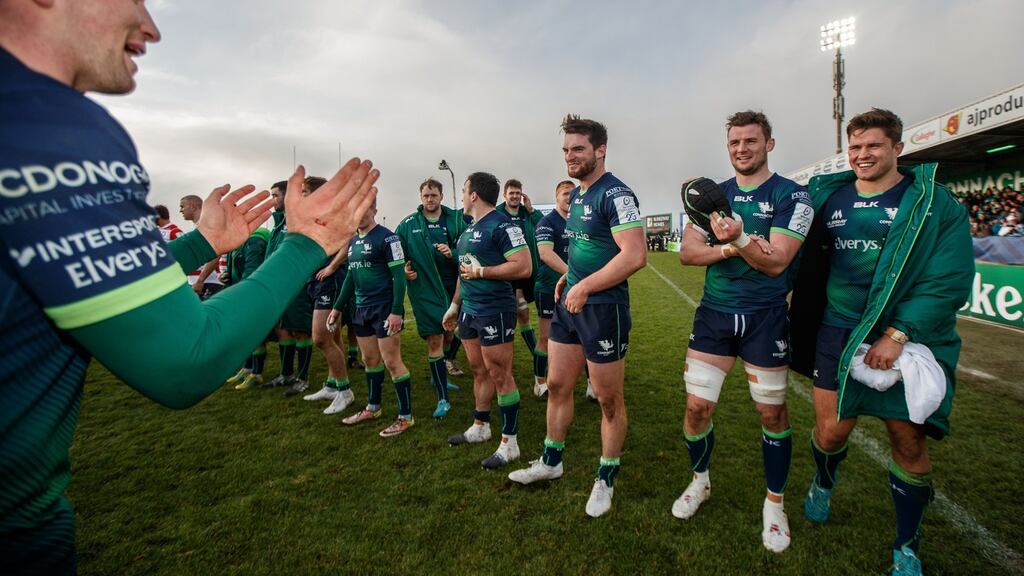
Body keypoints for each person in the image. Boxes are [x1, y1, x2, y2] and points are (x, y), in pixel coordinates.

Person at [0, 1, 380, 570]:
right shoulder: (48, 124)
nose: (150, 27)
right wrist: (306, 243)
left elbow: (43, 269)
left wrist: (197, 247)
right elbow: (186, 359)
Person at [788, 108, 973, 576]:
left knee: (906, 439)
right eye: (855, 147)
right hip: (836, 330)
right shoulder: (827, 197)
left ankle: (906, 545)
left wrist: (897, 333)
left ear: (898, 148)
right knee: (831, 432)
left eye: (873, 146)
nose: (862, 155)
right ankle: (823, 482)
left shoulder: (934, 204)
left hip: (905, 338)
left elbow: (949, 278)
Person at [674, 111, 814, 553]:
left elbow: (778, 261)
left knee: (771, 414)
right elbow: (688, 254)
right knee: (697, 408)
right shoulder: (715, 195)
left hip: (766, 316)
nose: (741, 149)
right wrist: (737, 245)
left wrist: (738, 237)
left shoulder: (794, 195)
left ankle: (775, 503)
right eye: (734, 142)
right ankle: (700, 481)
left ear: (769, 143)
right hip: (715, 315)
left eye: (750, 141)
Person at [508, 115, 646, 518]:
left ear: (600, 150)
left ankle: (605, 477)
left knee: (607, 399)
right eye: (566, 150)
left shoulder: (616, 194)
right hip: (572, 302)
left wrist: (585, 286)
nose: (570, 157)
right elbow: (591, 248)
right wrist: (571, 275)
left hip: (603, 310)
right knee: (556, 383)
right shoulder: (581, 194)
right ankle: (552, 461)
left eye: (578, 149)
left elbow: (634, 255)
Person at [443, 172, 532, 469]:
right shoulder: (468, 230)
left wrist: (484, 273)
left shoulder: (502, 225)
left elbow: (524, 265)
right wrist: (454, 306)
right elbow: (463, 270)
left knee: (500, 375)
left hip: (496, 309)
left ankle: (510, 444)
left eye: (464, 190)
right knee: (478, 370)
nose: (462, 195)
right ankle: (481, 427)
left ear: (474, 195)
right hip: (470, 309)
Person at [329, 201, 416, 437]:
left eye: (363, 210)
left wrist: (396, 310)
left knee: (392, 362)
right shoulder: (353, 241)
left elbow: (399, 277)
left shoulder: (389, 239)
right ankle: (373, 408)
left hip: (384, 309)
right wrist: (337, 308)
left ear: (374, 211)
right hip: (361, 308)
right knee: (369, 359)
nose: (358, 215)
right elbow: (351, 276)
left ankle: (405, 417)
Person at [395, 178, 468, 418]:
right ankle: (442, 399)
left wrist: (453, 252)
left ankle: (440, 377)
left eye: (433, 195)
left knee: (449, 334)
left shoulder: (456, 219)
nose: (429, 199)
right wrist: (404, 270)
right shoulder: (408, 225)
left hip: (454, 287)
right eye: (426, 195)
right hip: (425, 289)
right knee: (435, 340)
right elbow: (397, 255)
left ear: (441, 196)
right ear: (420, 197)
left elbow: (470, 248)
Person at [298, 176, 357, 414]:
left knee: (321, 338)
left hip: (330, 282)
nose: (300, 195)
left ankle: (345, 391)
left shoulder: (333, 212)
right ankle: (332, 385)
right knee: (333, 337)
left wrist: (332, 267)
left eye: (304, 191)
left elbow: (350, 238)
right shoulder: (312, 217)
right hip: (315, 280)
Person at [531, 180, 573, 399]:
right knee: (546, 337)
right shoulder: (547, 222)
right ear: (557, 196)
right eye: (565, 193)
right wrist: (572, 274)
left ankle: (590, 383)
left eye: (573, 194)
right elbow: (546, 254)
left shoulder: (579, 221)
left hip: (574, 287)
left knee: (579, 335)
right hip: (548, 287)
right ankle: (539, 382)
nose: (569, 197)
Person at [496, 179, 543, 359]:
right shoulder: (497, 213)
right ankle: (450, 354)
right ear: (505, 195)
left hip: (526, 271)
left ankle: (537, 356)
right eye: (511, 193)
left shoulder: (527, 213)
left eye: (518, 193)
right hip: (505, 271)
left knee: (522, 313)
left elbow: (545, 225)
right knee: (516, 313)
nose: (515, 196)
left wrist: (531, 209)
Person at [222, 225, 272, 389]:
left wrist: (240, 293)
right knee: (246, 334)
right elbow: (239, 266)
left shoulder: (255, 238)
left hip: (253, 293)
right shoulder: (236, 239)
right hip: (243, 292)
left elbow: (251, 269)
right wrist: (228, 275)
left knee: (253, 334)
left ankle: (256, 373)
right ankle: (248, 368)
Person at [179, 193, 227, 299]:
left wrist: (200, 280)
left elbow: (215, 254)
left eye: (182, 206)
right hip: (200, 283)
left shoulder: (206, 226)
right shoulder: (197, 227)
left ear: (193, 206)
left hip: (209, 282)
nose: (180, 210)